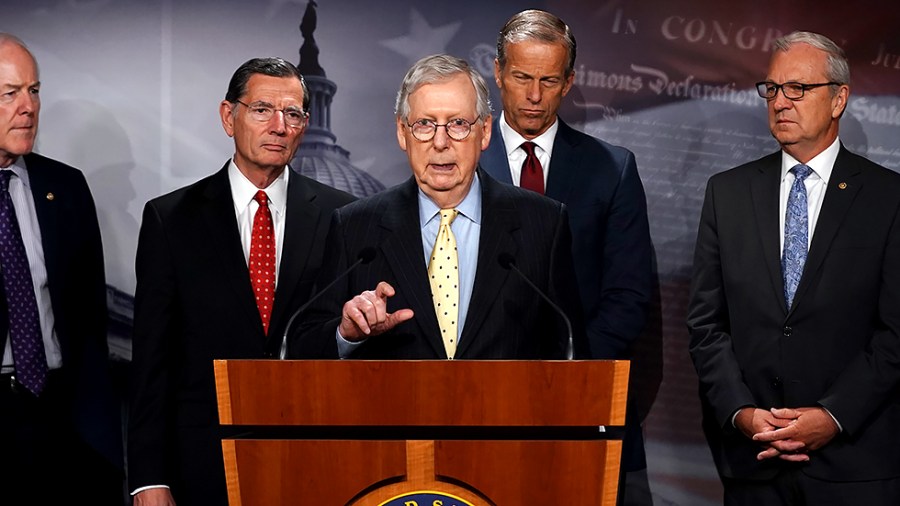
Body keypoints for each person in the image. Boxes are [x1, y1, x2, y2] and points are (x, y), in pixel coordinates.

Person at [128, 57, 355, 505]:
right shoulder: (171, 219)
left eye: (292, 114)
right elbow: (152, 361)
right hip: (202, 466)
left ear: (305, 125)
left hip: (314, 462)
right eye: (262, 110)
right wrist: (148, 477)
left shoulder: (343, 217)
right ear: (228, 117)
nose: (279, 126)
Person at [688, 31, 900, 505]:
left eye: (798, 89)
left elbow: (895, 334)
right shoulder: (728, 194)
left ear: (839, 98)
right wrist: (741, 411)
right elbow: (706, 325)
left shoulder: (889, 199)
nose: (781, 101)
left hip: (854, 467)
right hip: (753, 464)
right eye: (772, 88)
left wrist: (833, 416)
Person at [296, 54, 588, 361]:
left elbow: (570, 351)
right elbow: (307, 347)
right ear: (401, 132)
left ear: (485, 131)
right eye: (424, 124)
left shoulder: (543, 223)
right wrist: (346, 335)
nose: (440, 142)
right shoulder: (353, 227)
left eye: (458, 124)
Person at [479, 9, 653, 503]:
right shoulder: (459, 161)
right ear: (497, 72)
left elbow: (628, 295)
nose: (534, 95)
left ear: (570, 81)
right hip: (478, 401)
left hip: (583, 400)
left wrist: (564, 376)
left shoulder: (612, 169)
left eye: (549, 80)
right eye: (521, 78)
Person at [0, 34, 123, 503]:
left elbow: (91, 320)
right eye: (10, 93)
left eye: (33, 90)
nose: (28, 107)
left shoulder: (65, 187)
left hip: (63, 416)